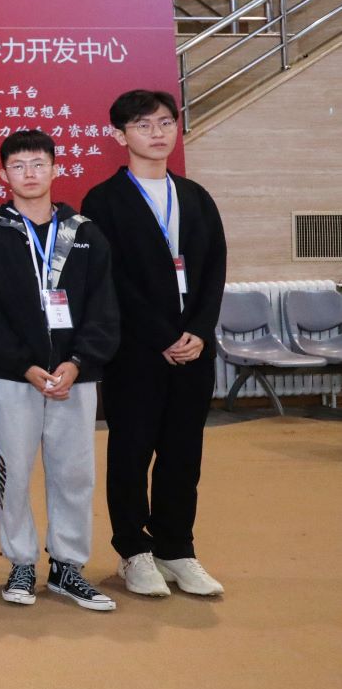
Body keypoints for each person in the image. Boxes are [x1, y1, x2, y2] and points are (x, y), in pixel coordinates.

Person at [82, 89, 228, 598]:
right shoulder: (103, 201)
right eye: (143, 125)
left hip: (194, 350)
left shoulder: (195, 197)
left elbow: (214, 270)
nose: (157, 133)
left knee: (184, 453)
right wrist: (163, 335)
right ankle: (134, 551)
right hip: (136, 353)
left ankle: (176, 548)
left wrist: (199, 331)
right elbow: (112, 280)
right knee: (131, 450)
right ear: (119, 135)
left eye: (166, 122)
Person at [0, 130, 120, 612]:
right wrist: (25, 365)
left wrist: (78, 362)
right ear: (2, 174)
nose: (29, 174)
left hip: (76, 377)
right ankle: (20, 561)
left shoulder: (87, 234)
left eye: (38, 164)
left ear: (56, 168)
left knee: (74, 474)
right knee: (13, 472)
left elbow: (104, 308)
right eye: (18, 166)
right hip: (15, 378)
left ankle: (68, 566)